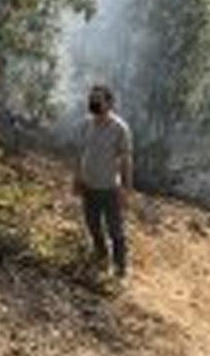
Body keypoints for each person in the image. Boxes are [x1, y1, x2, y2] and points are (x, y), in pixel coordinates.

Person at [73, 84, 133, 278]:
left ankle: (120, 267)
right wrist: (77, 177)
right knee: (92, 225)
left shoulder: (119, 128)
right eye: (92, 99)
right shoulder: (85, 124)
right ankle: (101, 257)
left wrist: (126, 188)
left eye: (98, 100)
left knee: (115, 230)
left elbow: (126, 160)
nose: (93, 103)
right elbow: (80, 153)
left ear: (109, 103)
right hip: (88, 186)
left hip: (109, 189)